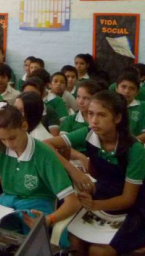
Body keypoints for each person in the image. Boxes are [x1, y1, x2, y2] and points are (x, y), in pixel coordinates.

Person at [0, 103, 80, 252]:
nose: (9, 144)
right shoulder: (0, 148)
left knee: (20, 241)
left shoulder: (44, 155)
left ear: (24, 126)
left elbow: (72, 203)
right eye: (3, 139)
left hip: (35, 207)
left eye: (12, 138)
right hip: (6, 207)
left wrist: (49, 220)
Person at [44, 91, 145, 255]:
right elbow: (46, 145)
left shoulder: (135, 149)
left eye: (102, 115)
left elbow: (128, 199)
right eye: (90, 114)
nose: (93, 120)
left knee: (99, 251)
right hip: (101, 195)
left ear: (118, 118)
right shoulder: (88, 134)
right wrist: (74, 170)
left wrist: (95, 205)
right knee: (73, 241)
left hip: (132, 207)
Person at [115, 72, 145, 140]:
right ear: (116, 88)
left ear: (137, 92)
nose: (127, 91)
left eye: (132, 88)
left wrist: (130, 144)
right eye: (123, 87)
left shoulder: (143, 106)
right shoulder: (108, 105)